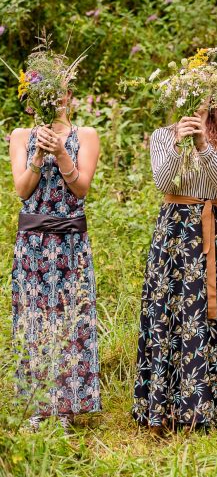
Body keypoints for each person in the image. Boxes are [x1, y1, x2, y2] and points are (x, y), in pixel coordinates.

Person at [132, 107, 217, 430]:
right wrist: (180, 143)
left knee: (211, 316)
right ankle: (163, 407)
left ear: (212, 99)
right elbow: (162, 181)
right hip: (173, 235)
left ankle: (210, 409)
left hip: (211, 233)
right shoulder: (162, 136)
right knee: (167, 313)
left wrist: (202, 146)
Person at [10, 96, 101, 430]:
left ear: (70, 96)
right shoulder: (21, 135)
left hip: (71, 242)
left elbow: (81, 189)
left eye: (60, 92)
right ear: (34, 101)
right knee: (33, 320)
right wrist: (37, 154)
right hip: (32, 244)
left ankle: (66, 406)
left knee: (70, 320)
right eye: (46, 94)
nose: (55, 100)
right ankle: (34, 406)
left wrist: (61, 153)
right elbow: (22, 189)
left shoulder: (86, 134)